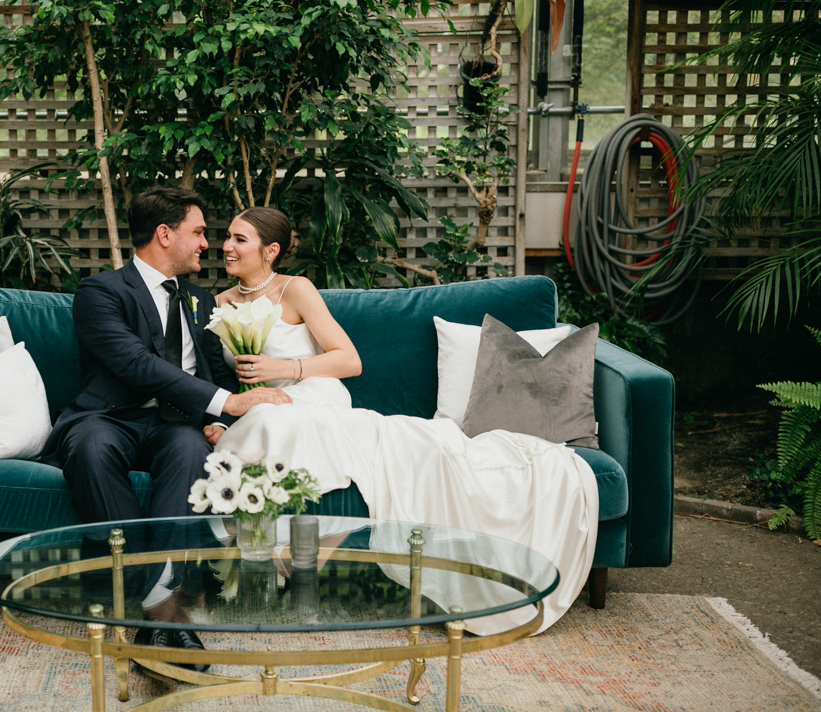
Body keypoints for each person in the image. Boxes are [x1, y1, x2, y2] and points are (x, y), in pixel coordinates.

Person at [210, 207, 600, 635]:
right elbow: (211, 379)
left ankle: (280, 568)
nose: (226, 246)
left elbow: (349, 360)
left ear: (271, 251)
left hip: (313, 395)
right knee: (265, 416)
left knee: (277, 421)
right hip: (262, 403)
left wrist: (284, 368)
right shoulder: (218, 304)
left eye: (238, 239)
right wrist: (228, 412)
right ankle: (275, 566)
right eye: (227, 237)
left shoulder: (296, 290)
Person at [41, 186, 291, 666]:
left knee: (190, 452)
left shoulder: (199, 299)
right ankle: (163, 613)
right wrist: (230, 402)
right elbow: (135, 364)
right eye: (197, 232)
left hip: (172, 425)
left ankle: (152, 610)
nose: (206, 243)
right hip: (106, 419)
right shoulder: (100, 292)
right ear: (163, 234)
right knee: (91, 447)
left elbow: (214, 375)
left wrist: (223, 419)